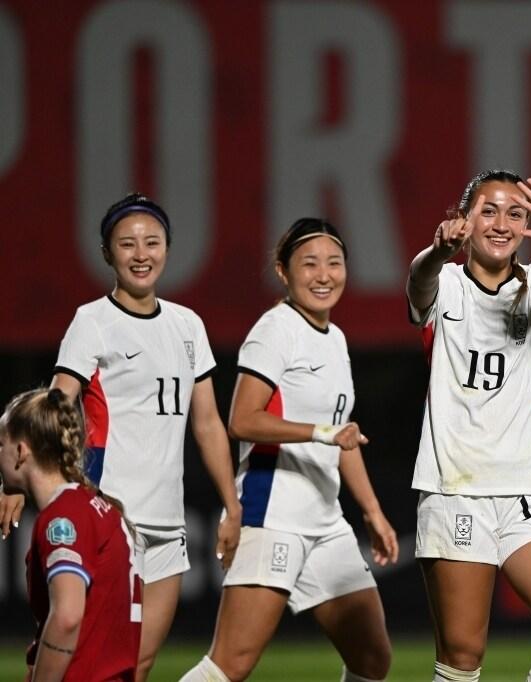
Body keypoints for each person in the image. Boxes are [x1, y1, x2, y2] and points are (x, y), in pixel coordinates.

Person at [0, 193, 241, 680]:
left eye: (152, 242)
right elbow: (58, 404)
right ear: (107, 253)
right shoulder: (93, 321)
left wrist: (231, 506)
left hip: (168, 525)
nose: (141, 253)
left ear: (168, 249)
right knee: (89, 663)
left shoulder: (188, 325)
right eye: (127, 243)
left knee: (137, 665)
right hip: (110, 519)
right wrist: (15, 482)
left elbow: (208, 423)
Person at [181, 218, 399, 682]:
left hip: (325, 520)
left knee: (372, 658)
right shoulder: (275, 329)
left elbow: (344, 437)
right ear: (283, 271)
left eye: (334, 263)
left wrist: (373, 512)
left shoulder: (335, 339)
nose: (324, 275)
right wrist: (323, 432)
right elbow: (242, 419)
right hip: (272, 512)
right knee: (230, 664)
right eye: (310, 263)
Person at [407, 169, 531, 682]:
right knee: (463, 659)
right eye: (488, 210)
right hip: (455, 489)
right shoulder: (442, 281)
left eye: (516, 213)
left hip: (527, 489)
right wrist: (437, 253)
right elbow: (419, 281)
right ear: (463, 220)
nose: (502, 222)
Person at [0, 388, 142, 681]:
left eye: (1, 444)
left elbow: (66, 617)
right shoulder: (94, 506)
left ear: (21, 451)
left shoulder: (64, 518)